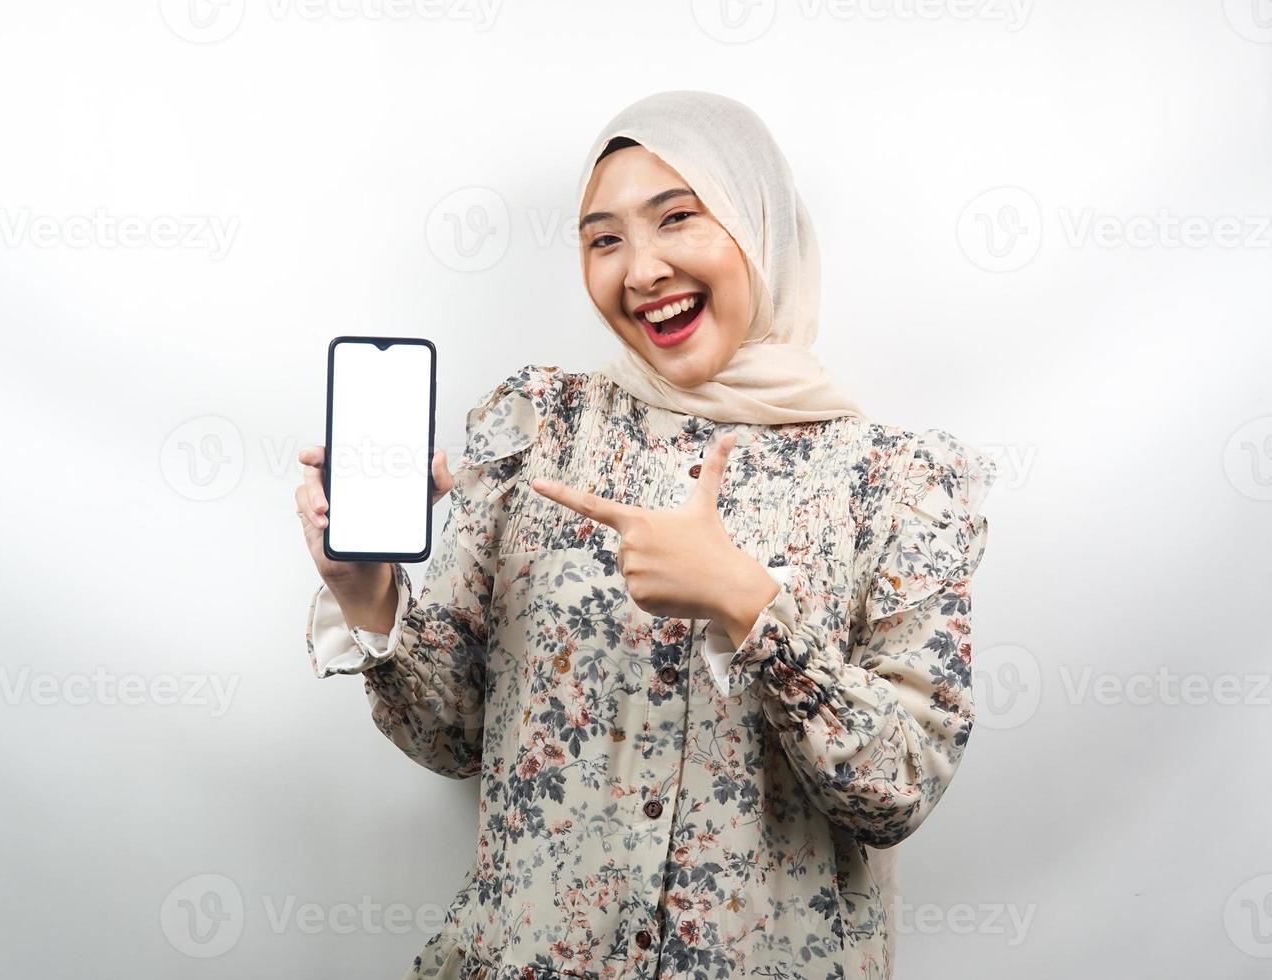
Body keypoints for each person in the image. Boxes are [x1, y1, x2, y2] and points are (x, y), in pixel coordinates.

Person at [295, 90, 997, 980]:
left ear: (760, 225)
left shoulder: (899, 483)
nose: (641, 270)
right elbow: (450, 738)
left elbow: (896, 791)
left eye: (678, 220)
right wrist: (369, 597)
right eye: (604, 239)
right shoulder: (538, 428)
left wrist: (745, 604)